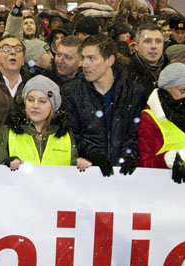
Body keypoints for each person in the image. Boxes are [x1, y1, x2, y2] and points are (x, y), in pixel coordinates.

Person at [62, 34, 145, 175]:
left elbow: (137, 132)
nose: (84, 64)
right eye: (83, 58)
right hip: (87, 172)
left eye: (91, 58)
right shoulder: (72, 91)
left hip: (125, 173)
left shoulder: (133, 92)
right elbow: (71, 134)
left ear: (109, 60)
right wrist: (92, 153)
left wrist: (130, 154)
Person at [0, 76, 81, 168]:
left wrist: (81, 165)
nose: (35, 106)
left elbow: (73, 168)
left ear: (52, 106)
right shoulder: (7, 131)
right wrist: (7, 163)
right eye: (30, 100)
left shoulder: (65, 134)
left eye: (42, 101)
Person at [127, 23, 166, 90]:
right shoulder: (126, 73)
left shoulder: (171, 70)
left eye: (158, 41)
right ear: (136, 46)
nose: (154, 46)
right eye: (147, 41)